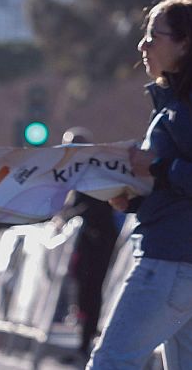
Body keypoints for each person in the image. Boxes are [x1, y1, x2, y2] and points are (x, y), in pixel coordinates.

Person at [89, 0, 192, 370]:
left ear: (185, 44)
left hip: (174, 261)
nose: (142, 45)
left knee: (111, 364)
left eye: (153, 36)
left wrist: (159, 167)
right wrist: (135, 200)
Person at [58, 126, 120, 365]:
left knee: (92, 292)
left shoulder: (95, 168)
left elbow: (96, 206)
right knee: (82, 293)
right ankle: (82, 344)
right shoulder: (76, 171)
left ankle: (86, 346)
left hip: (99, 239)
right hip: (86, 239)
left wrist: (69, 214)